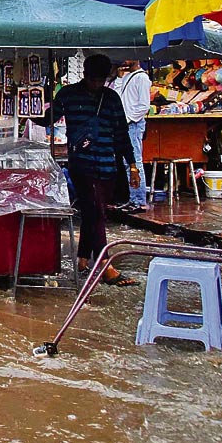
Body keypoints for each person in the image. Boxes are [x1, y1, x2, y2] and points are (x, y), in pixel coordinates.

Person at [54, 54, 141, 286]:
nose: (96, 84)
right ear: (85, 75)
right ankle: (104, 265)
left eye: (101, 80)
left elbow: (122, 134)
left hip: (107, 165)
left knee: (93, 211)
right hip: (81, 164)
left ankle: (83, 259)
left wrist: (132, 165)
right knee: (96, 213)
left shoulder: (111, 99)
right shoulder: (67, 95)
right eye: (93, 79)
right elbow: (48, 118)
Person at [108, 60, 152, 213]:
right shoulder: (127, 76)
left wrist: (128, 119)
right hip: (125, 123)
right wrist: (119, 78)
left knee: (135, 160)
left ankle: (139, 200)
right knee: (127, 162)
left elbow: (144, 106)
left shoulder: (142, 78)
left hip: (133, 124)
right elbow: (119, 97)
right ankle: (132, 198)